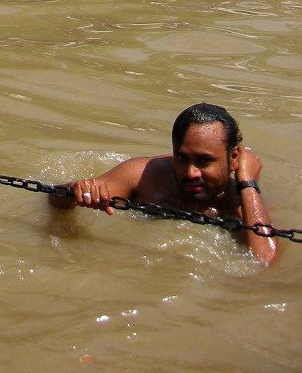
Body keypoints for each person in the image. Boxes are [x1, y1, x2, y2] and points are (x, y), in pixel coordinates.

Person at [49, 102, 277, 265]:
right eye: (182, 158)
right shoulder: (144, 175)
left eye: (204, 160)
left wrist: (247, 183)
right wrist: (75, 191)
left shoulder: (242, 201)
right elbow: (54, 198)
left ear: (234, 158)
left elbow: (265, 260)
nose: (191, 172)